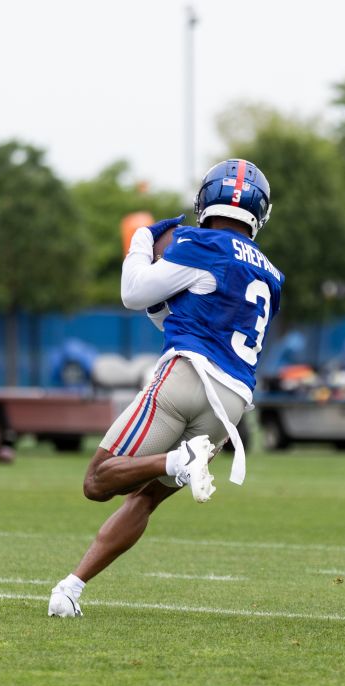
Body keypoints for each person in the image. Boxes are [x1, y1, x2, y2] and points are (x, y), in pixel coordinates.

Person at [48, 159, 283, 618]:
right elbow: (178, 311)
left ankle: (177, 460)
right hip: (231, 405)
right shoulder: (272, 274)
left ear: (206, 200)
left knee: (97, 481)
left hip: (187, 376)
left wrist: (139, 242)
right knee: (146, 495)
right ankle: (71, 588)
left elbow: (133, 293)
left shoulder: (199, 242)